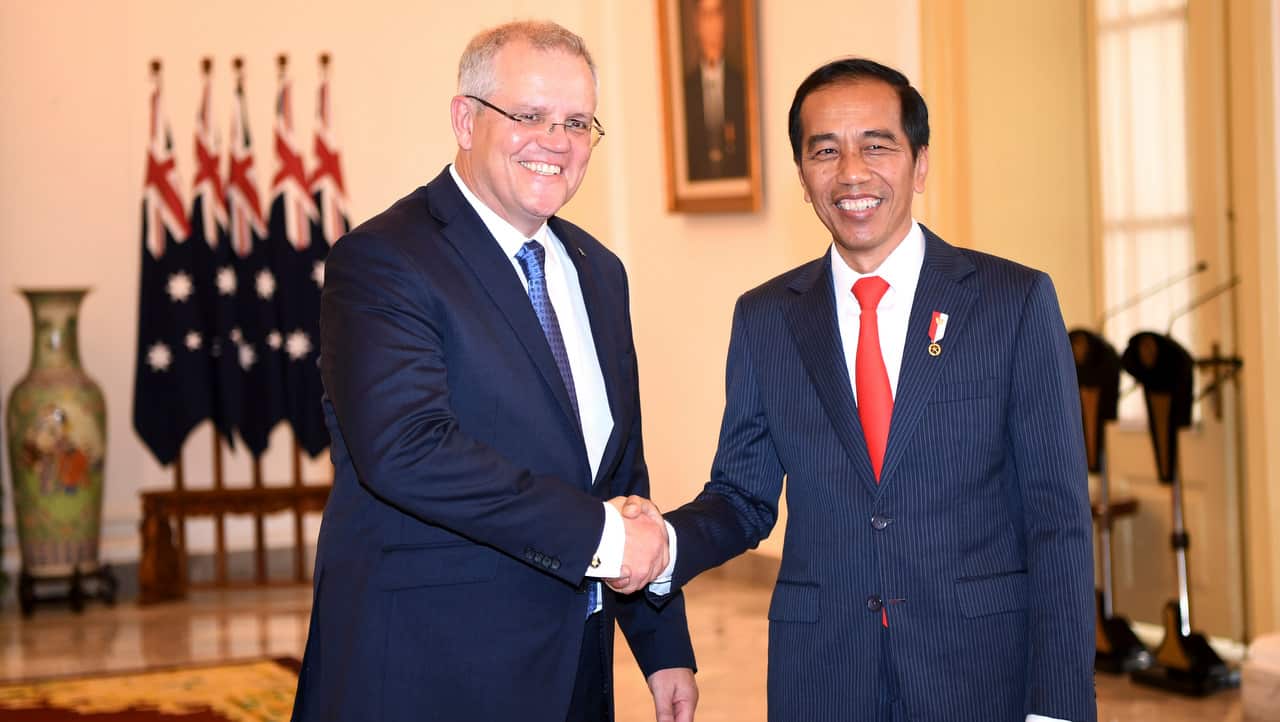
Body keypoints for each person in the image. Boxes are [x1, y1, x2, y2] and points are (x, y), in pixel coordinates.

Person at [630, 58, 1097, 721]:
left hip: (978, 668)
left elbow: (1057, 521)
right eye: (826, 151)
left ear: (920, 163)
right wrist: (665, 544)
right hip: (823, 672)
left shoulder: (1011, 303)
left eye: (877, 145)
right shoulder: (766, 318)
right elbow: (741, 497)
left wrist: (1059, 703)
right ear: (802, 175)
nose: (852, 172)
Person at [291, 21, 697, 722]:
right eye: (530, 115)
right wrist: (604, 540)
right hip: (430, 671)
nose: (557, 142)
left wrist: (662, 643)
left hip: (572, 669)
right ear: (464, 118)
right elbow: (408, 451)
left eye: (576, 121)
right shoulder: (385, 259)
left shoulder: (598, 272)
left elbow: (617, 472)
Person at [682, 0, 748, 180]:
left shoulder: (740, 84)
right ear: (697, 24)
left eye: (717, 14)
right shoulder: (686, 89)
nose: (712, 24)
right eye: (706, 16)